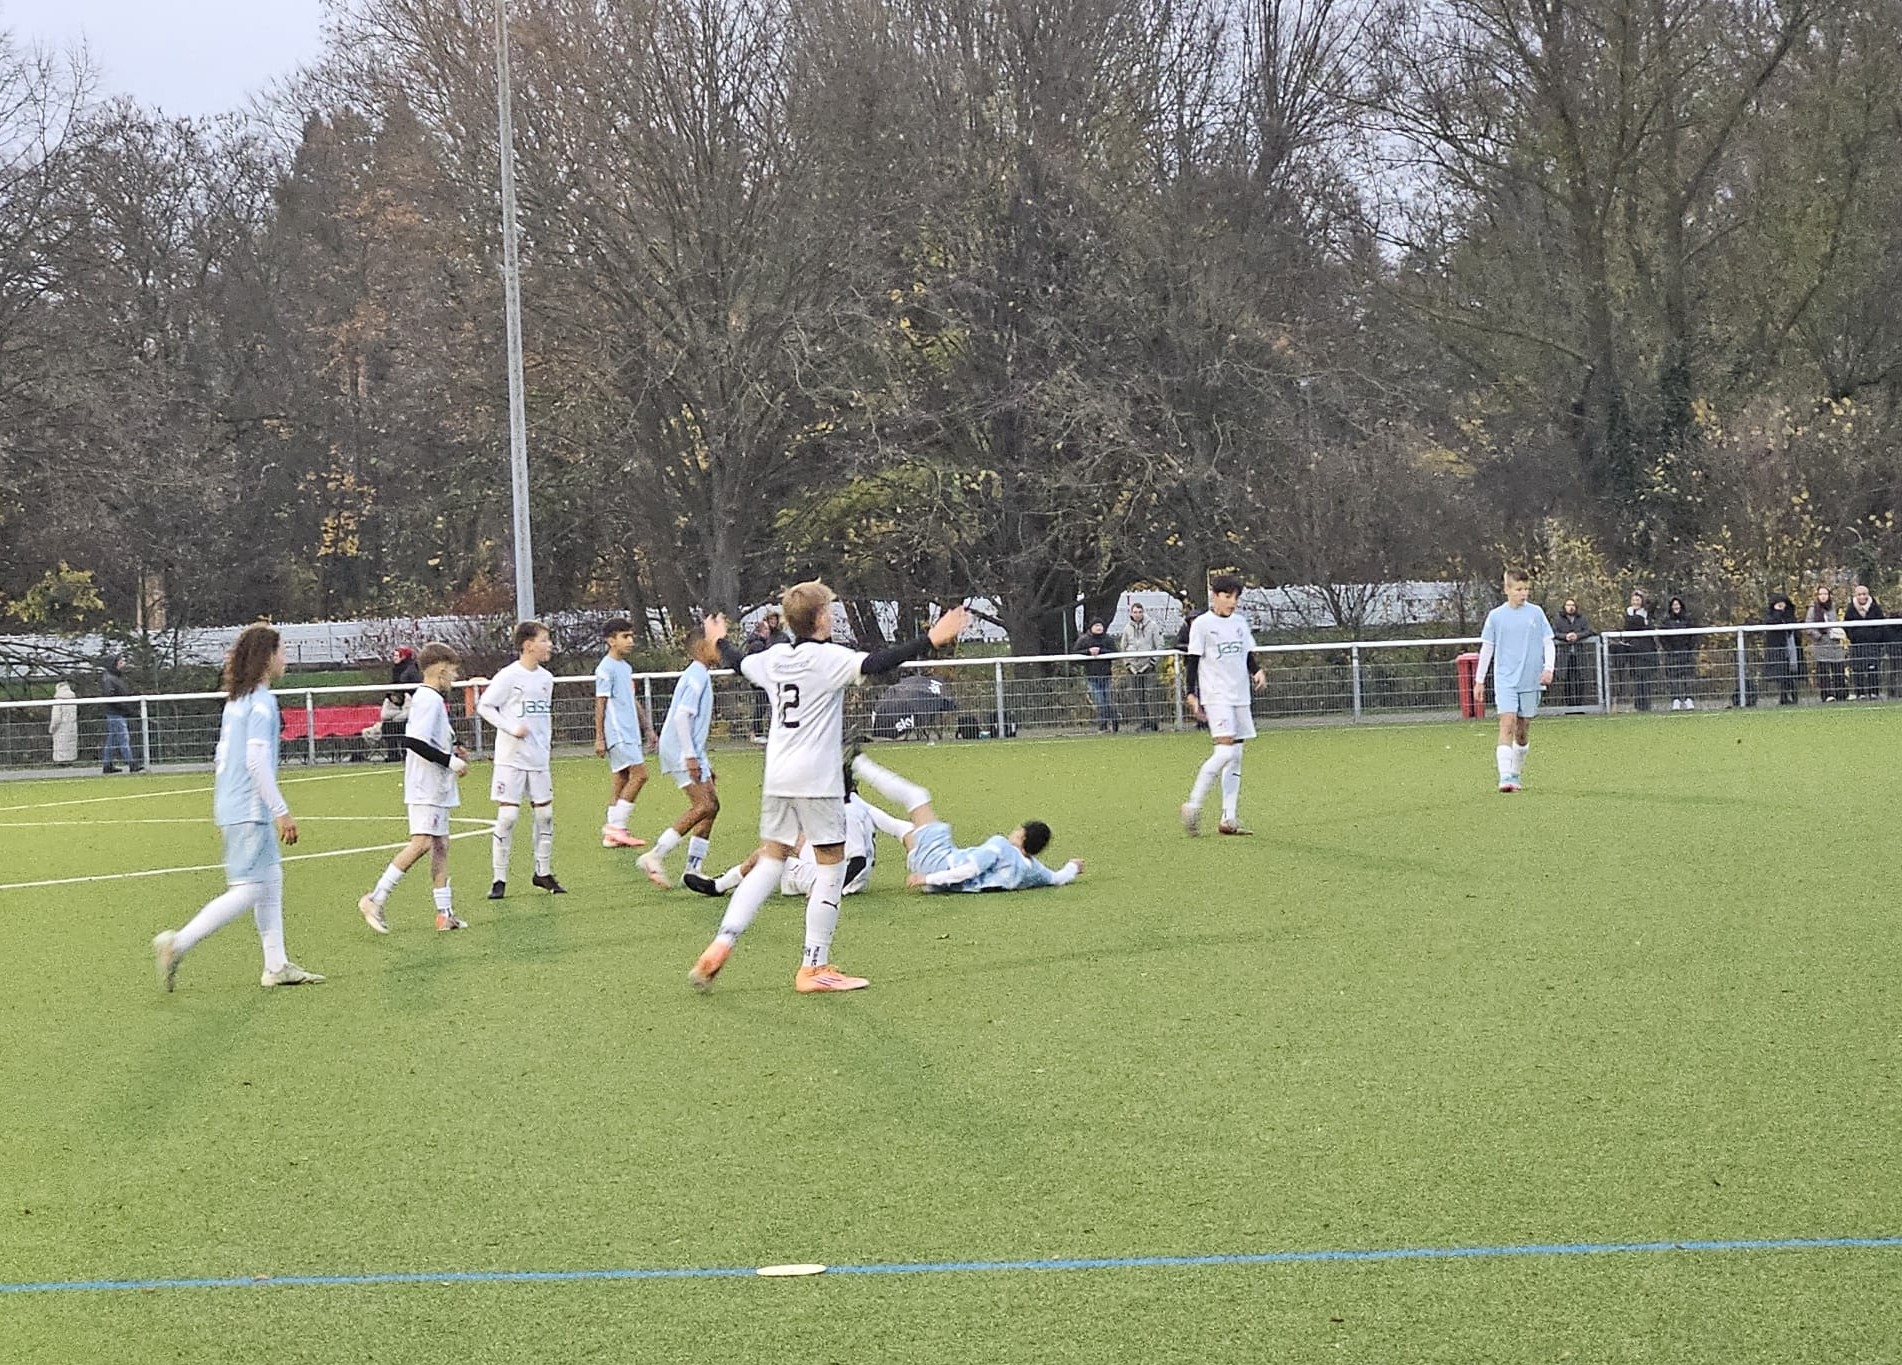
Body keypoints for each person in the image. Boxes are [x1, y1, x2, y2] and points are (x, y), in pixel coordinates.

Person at [687, 582, 971, 994]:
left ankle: (723, 940)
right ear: (820, 618)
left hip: (778, 775)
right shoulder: (830, 658)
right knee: (831, 866)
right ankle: (813, 966)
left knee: (772, 860)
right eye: (830, 611)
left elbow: (736, 661)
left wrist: (719, 640)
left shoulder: (774, 658)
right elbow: (879, 662)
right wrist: (931, 639)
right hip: (817, 780)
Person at [151, 624, 323, 991]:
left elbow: (222, 756)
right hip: (250, 808)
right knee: (248, 888)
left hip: (232, 803)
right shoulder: (261, 702)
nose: (286, 659)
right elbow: (256, 762)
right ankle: (178, 943)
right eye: (282, 651)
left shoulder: (236, 701)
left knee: (270, 878)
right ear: (267, 657)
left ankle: (276, 965)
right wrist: (280, 810)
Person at [849, 750, 1083, 894]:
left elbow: (969, 870)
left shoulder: (1001, 847)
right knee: (906, 830)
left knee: (917, 797)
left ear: (1021, 835)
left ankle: (857, 760)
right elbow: (1058, 878)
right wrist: (1073, 866)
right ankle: (851, 798)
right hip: (937, 881)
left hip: (940, 864)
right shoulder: (1032, 871)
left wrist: (926, 878)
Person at [358, 642, 472, 933]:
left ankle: (444, 914)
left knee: (441, 844)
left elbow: (436, 735)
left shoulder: (432, 699)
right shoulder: (427, 699)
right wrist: (450, 761)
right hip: (426, 786)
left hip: (437, 787)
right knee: (422, 843)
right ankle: (375, 898)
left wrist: (455, 745)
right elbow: (415, 742)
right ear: (441, 669)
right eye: (453, 671)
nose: (455, 677)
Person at [685, 760, 911, 900]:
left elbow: (858, 860)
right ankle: (724, 882)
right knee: (790, 839)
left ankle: (719, 886)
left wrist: (829, 890)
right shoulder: (854, 803)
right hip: (839, 870)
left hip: (837, 878)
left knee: (769, 855)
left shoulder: (847, 814)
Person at [637, 616, 727, 888]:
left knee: (712, 806)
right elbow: (681, 716)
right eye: (716, 644)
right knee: (705, 805)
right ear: (701, 648)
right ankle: (655, 855)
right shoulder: (697, 675)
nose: (720, 650)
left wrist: (701, 758)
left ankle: (693, 868)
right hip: (679, 749)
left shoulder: (699, 673)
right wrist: (689, 756)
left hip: (688, 749)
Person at [477, 620, 565, 898]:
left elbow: (541, 718)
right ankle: (499, 879)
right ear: (528, 645)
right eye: (544, 640)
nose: (549, 645)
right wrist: (511, 728)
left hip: (538, 758)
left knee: (545, 815)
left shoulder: (546, 679)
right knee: (508, 817)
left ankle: (543, 872)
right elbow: (485, 706)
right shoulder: (508, 676)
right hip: (511, 758)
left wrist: (544, 744)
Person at [1179, 574, 1266, 835]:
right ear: (1215, 596)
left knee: (1236, 756)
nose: (1232, 602)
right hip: (1216, 695)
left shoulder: (1240, 622)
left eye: (1235, 597)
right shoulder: (1202, 624)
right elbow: (1193, 661)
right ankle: (1193, 805)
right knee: (1225, 752)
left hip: (1240, 695)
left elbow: (1246, 653)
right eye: (1227, 596)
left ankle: (1229, 818)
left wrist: (1257, 671)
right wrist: (1190, 693)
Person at [1471, 568, 1554, 793]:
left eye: (1526, 589)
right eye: (1518, 589)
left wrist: (1548, 668)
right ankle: (1505, 776)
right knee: (1507, 723)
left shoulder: (1536, 613)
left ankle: (1516, 774)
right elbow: (1487, 648)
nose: (1523, 593)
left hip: (1530, 679)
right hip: (1505, 679)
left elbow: (1548, 641)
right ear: (1507, 589)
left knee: (1522, 729)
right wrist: (1479, 680)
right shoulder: (1496, 616)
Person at [593, 618, 657, 849]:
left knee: (621, 778)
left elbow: (632, 700)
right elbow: (600, 703)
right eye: (625, 637)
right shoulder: (605, 668)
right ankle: (616, 827)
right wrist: (600, 737)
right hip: (618, 733)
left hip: (630, 732)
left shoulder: (625, 668)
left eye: (631, 636)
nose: (630, 641)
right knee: (640, 775)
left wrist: (648, 728)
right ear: (611, 641)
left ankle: (612, 836)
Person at [1118, 602, 1164, 730]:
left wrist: (1153, 661)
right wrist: (1127, 664)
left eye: (1139, 612)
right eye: (1135, 612)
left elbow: (1160, 645)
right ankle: (1143, 721)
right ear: (1131, 613)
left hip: (1148, 665)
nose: (1137, 614)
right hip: (1133, 667)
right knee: (1138, 695)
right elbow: (1123, 647)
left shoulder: (1152, 626)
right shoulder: (1127, 628)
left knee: (1150, 694)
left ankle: (1154, 722)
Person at [1841, 584, 1887, 700]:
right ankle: (1860, 693)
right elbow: (1846, 625)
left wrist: (1876, 637)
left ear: (1868, 594)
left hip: (1873, 644)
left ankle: (1874, 692)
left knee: (1873, 667)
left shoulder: (1875, 607)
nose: (1862, 597)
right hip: (1857, 644)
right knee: (1858, 669)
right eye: (1859, 594)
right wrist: (1853, 637)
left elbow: (1882, 624)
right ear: (1856, 595)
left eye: (1864, 594)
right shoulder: (1851, 609)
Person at [1614, 591, 1658, 712]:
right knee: (1637, 678)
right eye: (1633, 600)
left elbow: (1654, 603)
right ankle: (1638, 705)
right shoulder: (1628, 613)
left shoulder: (1647, 613)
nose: (1635, 602)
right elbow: (1629, 627)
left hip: (1646, 650)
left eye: (1638, 600)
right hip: (1633, 650)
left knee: (1645, 678)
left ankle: (1646, 705)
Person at [742, 611, 781, 742]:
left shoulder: (759, 643)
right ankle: (756, 732)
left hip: (760, 679)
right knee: (761, 705)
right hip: (759, 680)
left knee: (762, 704)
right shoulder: (758, 645)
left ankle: (758, 731)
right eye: (766, 629)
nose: (769, 631)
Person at [1804, 586, 1847, 702]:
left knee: (1838, 668)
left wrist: (1837, 633)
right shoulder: (1813, 609)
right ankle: (1827, 694)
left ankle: (1841, 693)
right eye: (1821, 594)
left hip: (1834, 642)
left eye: (1825, 594)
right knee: (1823, 670)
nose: (1823, 596)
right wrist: (1819, 636)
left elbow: (1836, 622)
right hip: (1821, 643)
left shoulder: (1833, 607)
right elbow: (1808, 626)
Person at [1550, 598, 1594, 708]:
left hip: (1579, 654)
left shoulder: (1582, 618)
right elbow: (1554, 633)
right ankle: (1569, 705)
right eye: (1568, 605)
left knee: (1580, 678)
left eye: (1573, 605)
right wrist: (1565, 637)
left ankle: (1579, 705)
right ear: (1564, 607)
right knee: (1567, 679)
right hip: (1565, 654)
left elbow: (1588, 631)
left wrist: (1577, 636)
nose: (1571, 607)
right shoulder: (1558, 619)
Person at [380, 647, 422, 762]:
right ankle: (393, 754)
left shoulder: (410, 670)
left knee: (402, 726)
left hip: (409, 705)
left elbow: (413, 688)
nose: (394, 658)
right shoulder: (397, 670)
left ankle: (406, 753)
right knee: (387, 727)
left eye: (397, 655)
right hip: (398, 705)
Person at [100, 654, 141, 773]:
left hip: (116, 713)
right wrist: (127, 710)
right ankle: (131, 763)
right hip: (116, 713)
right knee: (123, 738)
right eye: (120, 662)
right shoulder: (110, 679)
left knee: (112, 740)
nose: (123, 664)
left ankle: (107, 764)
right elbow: (111, 697)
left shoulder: (113, 678)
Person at [1077, 618, 1118, 731]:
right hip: (1092, 676)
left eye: (1100, 625)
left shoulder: (1108, 639)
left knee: (1108, 701)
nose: (1099, 628)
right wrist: (1088, 652)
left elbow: (1115, 653)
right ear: (1091, 627)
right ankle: (1104, 725)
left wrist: (1101, 651)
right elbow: (1075, 653)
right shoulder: (1084, 640)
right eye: (1096, 625)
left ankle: (1113, 720)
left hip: (1106, 675)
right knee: (1100, 701)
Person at [1659, 596, 1700, 709]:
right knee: (1673, 678)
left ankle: (1689, 699)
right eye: (1674, 605)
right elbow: (1663, 638)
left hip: (1686, 652)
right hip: (1672, 654)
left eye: (1677, 604)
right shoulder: (1666, 621)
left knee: (1688, 677)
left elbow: (1694, 635)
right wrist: (1669, 650)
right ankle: (1675, 700)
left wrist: (1689, 648)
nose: (1676, 606)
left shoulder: (1689, 619)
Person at [1762, 593, 1802, 706]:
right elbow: (1771, 622)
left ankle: (1792, 695)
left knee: (1790, 673)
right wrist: (1778, 612)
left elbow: (1793, 628)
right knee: (1780, 673)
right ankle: (1783, 696)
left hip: (1790, 647)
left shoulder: (1790, 614)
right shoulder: (1770, 615)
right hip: (1777, 648)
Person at [49, 680, 78, 764]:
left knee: (61, 746)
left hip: (60, 729)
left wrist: (51, 729)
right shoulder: (73, 700)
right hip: (72, 727)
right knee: (70, 744)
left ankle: (60, 762)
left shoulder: (58, 701)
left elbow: (56, 718)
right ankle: (71, 760)